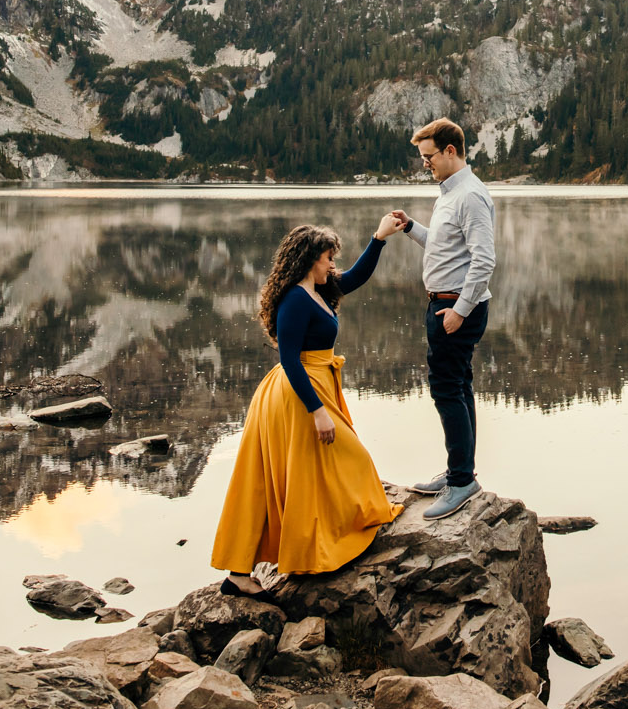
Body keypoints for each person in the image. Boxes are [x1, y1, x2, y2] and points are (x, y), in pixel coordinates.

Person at [211, 215, 407, 591]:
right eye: (328, 259)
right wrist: (316, 411)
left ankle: (307, 543)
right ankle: (242, 573)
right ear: (308, 260)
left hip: (317, 384)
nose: (333, 266)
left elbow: (355, 277)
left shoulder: (319, 289)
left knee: (313, 472)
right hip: (297, 394)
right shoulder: (295, 300)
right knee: (315, 466)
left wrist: (379, 238)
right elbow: (288, 359)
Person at [395, 117, 496, 520]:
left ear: (450, 151)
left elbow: (484, 260)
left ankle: (460, 483)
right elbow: (444, 246)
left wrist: (459, 311)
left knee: (446, 389)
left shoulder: (470, 195)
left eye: (429, 157)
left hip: (455, 308)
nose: (425, 164)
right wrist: (410, 228)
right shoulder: (449, 194)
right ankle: (460, 472)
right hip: (446, 303)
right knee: (458, 386)